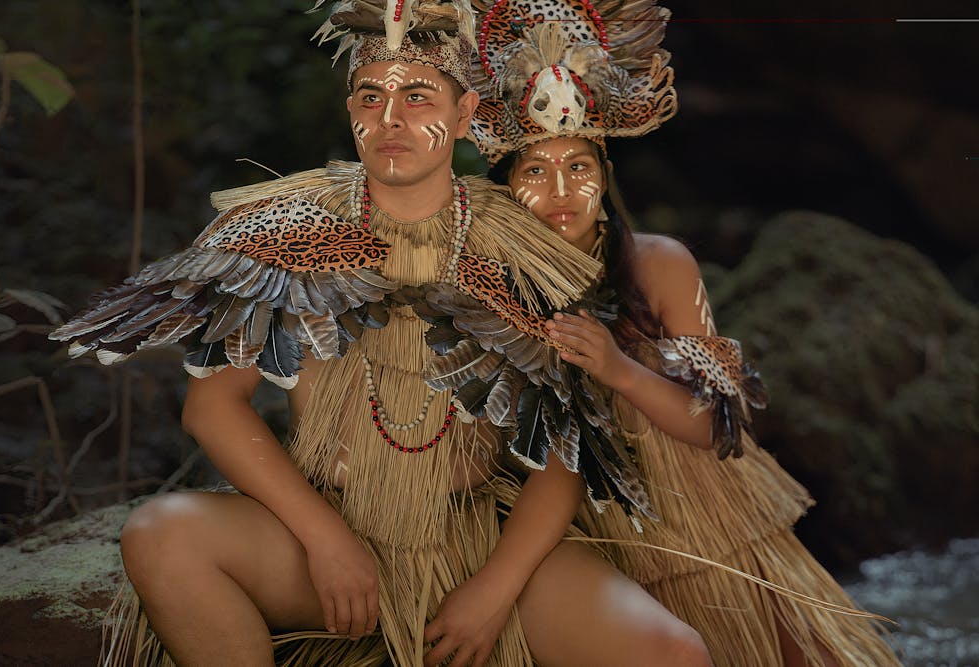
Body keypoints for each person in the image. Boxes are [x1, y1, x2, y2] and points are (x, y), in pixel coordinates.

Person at [52, 1, 715, 665]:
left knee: (673, 653)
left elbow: (567, 447)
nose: (391, 118)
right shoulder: (284, 230)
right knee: (161, 534)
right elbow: (213, 408)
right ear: (351, 112)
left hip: (477, 537)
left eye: (418, 97)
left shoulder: (522, 243)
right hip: (319, 529)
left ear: (464, 114)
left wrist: (494, 589)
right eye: (371, 97)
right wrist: (325, 540)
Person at [469, 0, 902, 664]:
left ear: (604, 177)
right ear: (506, 188)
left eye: (578, 167)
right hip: (605, 544)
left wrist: (619, 370)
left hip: (718, 527)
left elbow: (722, 423)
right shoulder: (494, 290)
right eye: (535, 170)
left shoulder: (661, 265)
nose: (560, 189)